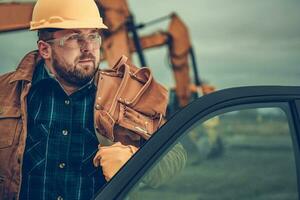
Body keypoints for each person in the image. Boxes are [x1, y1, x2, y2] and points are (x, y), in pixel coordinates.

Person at [0, 0, 186, 199]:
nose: (88, 47)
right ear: (45, 49)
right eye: (74, 38)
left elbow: (175, 155)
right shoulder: (6, 93)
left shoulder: (126, 95)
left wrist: (135, 159)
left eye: (93, 36)